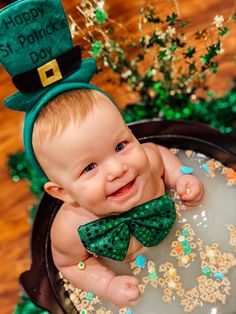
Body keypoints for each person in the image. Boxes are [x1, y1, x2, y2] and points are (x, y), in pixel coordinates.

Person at [32, 88, 204, 308]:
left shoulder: (148, 166)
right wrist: (108, 284)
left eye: (120, 146)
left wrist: (180, 177)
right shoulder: (70, 230)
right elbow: (71, 266)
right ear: (63, 193)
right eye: (89, 167)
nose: (117, 169)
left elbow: (160, 153)